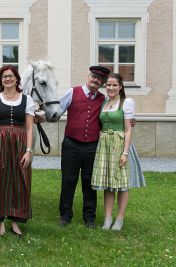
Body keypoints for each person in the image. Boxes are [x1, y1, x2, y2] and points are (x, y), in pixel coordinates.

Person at [58, 65, 110, 228]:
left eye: (100, 79)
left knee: (89, 182)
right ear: (88, 77)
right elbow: (56, 111)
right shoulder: (73, 92)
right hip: (71, 143)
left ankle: (89, 218)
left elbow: (109, 118)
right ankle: (65, 216)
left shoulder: (103, 100)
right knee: (68, 180)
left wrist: (128, 121)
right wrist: (36, 118)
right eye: (93, 76)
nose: (95, 80)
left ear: (102, 82)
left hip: (92, 145)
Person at [0, 65, 35, 236]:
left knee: (20, 180)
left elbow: (29, 127)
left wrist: (29, 150)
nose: (8, 79)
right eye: (4, 76)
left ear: (17, 79)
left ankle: (16, 220)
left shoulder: (27, 99)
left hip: (20, 142)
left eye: (11, 76)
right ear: (0, 80)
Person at [91, 73, 134, 231]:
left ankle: (120, 218)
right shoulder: (104, 102)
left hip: (120, 144)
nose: (111, 88)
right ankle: (108, 218)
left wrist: (125, 152)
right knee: (108, 183)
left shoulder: (126, 102)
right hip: (105, 145)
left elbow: (128, 130)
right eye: (108, 85)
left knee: (122, 184)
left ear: (121, 86)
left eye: (115, 85)